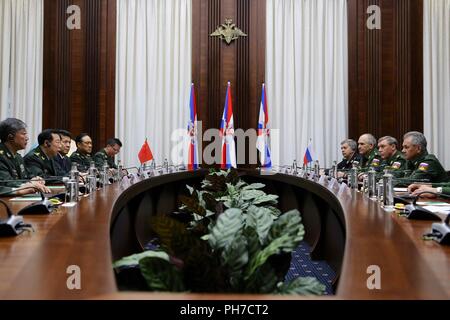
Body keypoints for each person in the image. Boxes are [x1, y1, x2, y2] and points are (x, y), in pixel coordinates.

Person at [0, 118, 50, 195]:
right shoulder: (1, 156)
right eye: (23, 134)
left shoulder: (18, 157)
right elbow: (5, 183)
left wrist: (32, 181)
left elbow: (22, 179)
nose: (27, 138)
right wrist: (26, 186)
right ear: (10, 137)